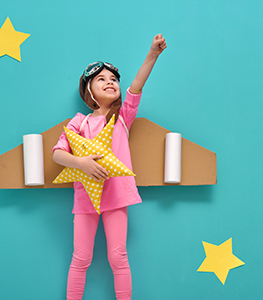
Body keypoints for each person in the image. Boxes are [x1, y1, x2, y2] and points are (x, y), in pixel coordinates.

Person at [52, 34, 167, 300]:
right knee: (80, 258)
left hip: (116, 197)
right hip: (85, 199)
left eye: (113, 79)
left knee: (119, 257)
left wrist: (152, 54)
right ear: (88, 90)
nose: (110, 82)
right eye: (101, 79)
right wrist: (80, 163)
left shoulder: (122, 117)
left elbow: (136, 86)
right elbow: (58, 154)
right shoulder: (78, 123)